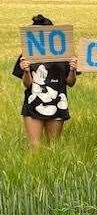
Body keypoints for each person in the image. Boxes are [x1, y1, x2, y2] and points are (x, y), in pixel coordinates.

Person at [12, 14, 79, 149]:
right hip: (33, 103)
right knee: (35, 147)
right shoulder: (28, 53)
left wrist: (72, 70)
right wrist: (26, 71)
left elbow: (71, 83)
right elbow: (27, 84)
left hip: (58, 104)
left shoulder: (64, 53)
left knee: (53, 147)